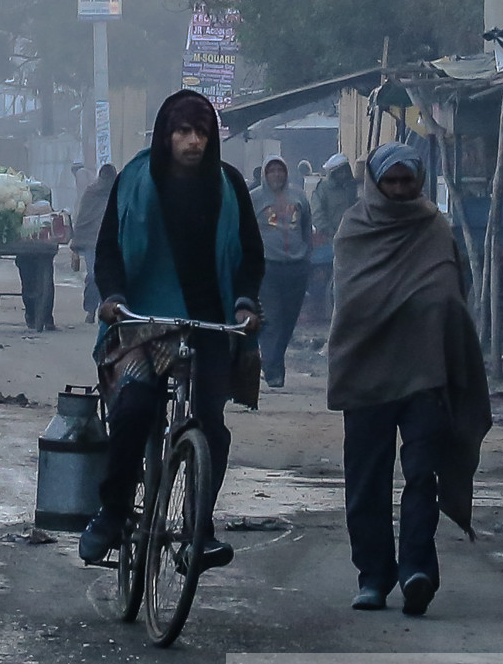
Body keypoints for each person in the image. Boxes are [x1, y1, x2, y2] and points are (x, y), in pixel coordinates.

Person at [78, 90, 264, 569]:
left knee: (212, 428)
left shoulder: (230, 186)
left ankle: (198, 531)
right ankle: (113, 510)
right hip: (146, 323)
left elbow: (251, 255)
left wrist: (245, 303)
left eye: (201, 132)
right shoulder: (134, 180)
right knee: (134, 409)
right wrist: (113, 297)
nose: (193, 141)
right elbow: (108, 252)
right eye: (183, 131)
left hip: (209, 323)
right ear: (165, 135)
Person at [328, 142, 490, 615]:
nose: (399, 190)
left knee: (422, 474)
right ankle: (372, 577)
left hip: (425, 372)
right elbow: (353, 302)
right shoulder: (354, 230)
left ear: (418, 182)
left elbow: (451, 292)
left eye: (407, 181)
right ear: (375, 183)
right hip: (367, 373)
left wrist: (441, 322)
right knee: (366, 481)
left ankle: (417, 568)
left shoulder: (435, 228)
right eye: (391, 182)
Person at [250, 155, 313, 388]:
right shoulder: (255, 199)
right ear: (265, 175)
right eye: (272, 171)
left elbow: (306, 227)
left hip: (296, 267)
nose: (276, 175)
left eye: (280, 171)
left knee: (288, 319)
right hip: (267, 266)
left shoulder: (299, 197)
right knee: (272, 318)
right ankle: (272, 368)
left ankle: (274, 362)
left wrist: (307, 256)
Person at [310, 153, 360, 320]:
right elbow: (317, 214)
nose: (344, 175)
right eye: (340, 172)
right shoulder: (322, 189)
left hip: (353, 238)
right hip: (331, 239)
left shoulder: (353, 188)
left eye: (345, 171)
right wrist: (330, 231)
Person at [71, 163, 117, 323]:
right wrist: (76, 241)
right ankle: (90, 309)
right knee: (93, 276)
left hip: (113, 243)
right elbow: (83, 217)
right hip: (92, 242)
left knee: (111, 277)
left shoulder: (119, 193)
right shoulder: (91, 192)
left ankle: (104, 309)